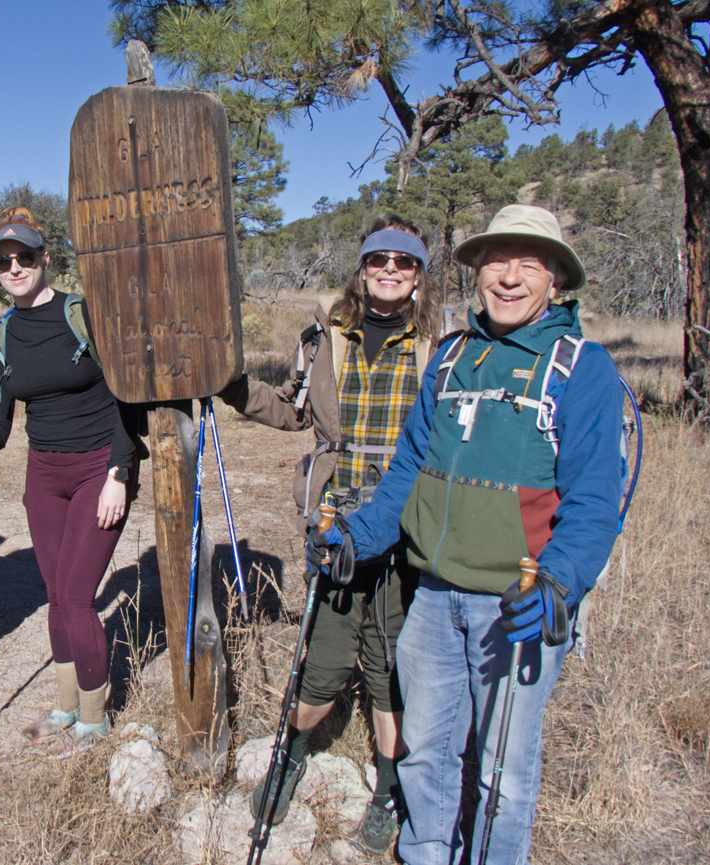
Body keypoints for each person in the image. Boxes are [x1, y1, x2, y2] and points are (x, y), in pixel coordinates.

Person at [314, 204, 624, 864]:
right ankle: (427, 853)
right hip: (432, 599)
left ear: (556, 281)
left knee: (503, 777)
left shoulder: (582, 367)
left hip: (516, 608)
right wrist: (355, 538)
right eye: (496, 262)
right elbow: (406, 473)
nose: (509, 278)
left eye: (529, 264)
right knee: (426, 754)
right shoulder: (452, 357)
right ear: (477, 272)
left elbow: (596, 502)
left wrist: (559, 583)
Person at [218, 215, 445, 853]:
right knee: (321, 658)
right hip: (335, 522)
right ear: (363, 267)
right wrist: (234, 388)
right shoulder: (323, 338)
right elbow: (293, 411)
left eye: (404, 262)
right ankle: (290, 755)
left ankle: (389, 786)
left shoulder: (444, 345)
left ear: (420, 273)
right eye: (380, 261)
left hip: (411, 524)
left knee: (392, 663)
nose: (391, 271)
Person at [0, 206, 138, 751]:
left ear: (44, 259)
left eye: (23, 257)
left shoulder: (86, 315)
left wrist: (119, 473)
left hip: (101, 466)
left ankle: (95, 720)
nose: (13, 268)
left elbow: (130, 398)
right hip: (44, 473)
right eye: (3, 261)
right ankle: (65, 705)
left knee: (77, 594)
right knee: (56, 594)